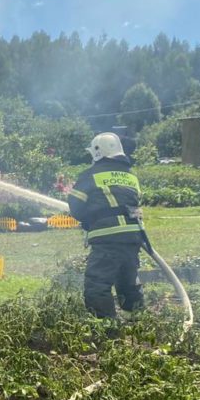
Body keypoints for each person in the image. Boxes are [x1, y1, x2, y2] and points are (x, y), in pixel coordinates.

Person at [67, 132, 145, 319]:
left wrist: (88, 219)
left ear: (97, 152)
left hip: (108, 238)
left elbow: (75, 205)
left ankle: (107, 329)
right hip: (133, 237)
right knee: (128, 282)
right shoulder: (130, 176)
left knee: (97, 285)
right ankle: (136, 321)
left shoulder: (91, 175)